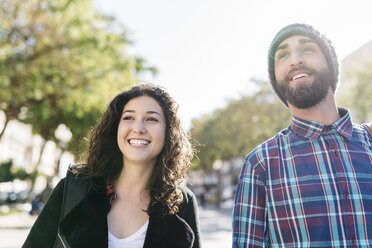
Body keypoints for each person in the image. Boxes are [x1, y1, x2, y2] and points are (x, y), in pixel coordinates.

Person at [233, 23, 372, 247]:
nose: (295, 60)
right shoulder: (260, 163)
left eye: (307, 49)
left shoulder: (370, 142)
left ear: (330, 64)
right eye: (283, 55)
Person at [23, 83, 201, 248]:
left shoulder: (182, 202)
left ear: (168, 132)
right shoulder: (74, 187)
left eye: (152, 119)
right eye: (129, 117)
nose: (138, 128)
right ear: (116, 128)